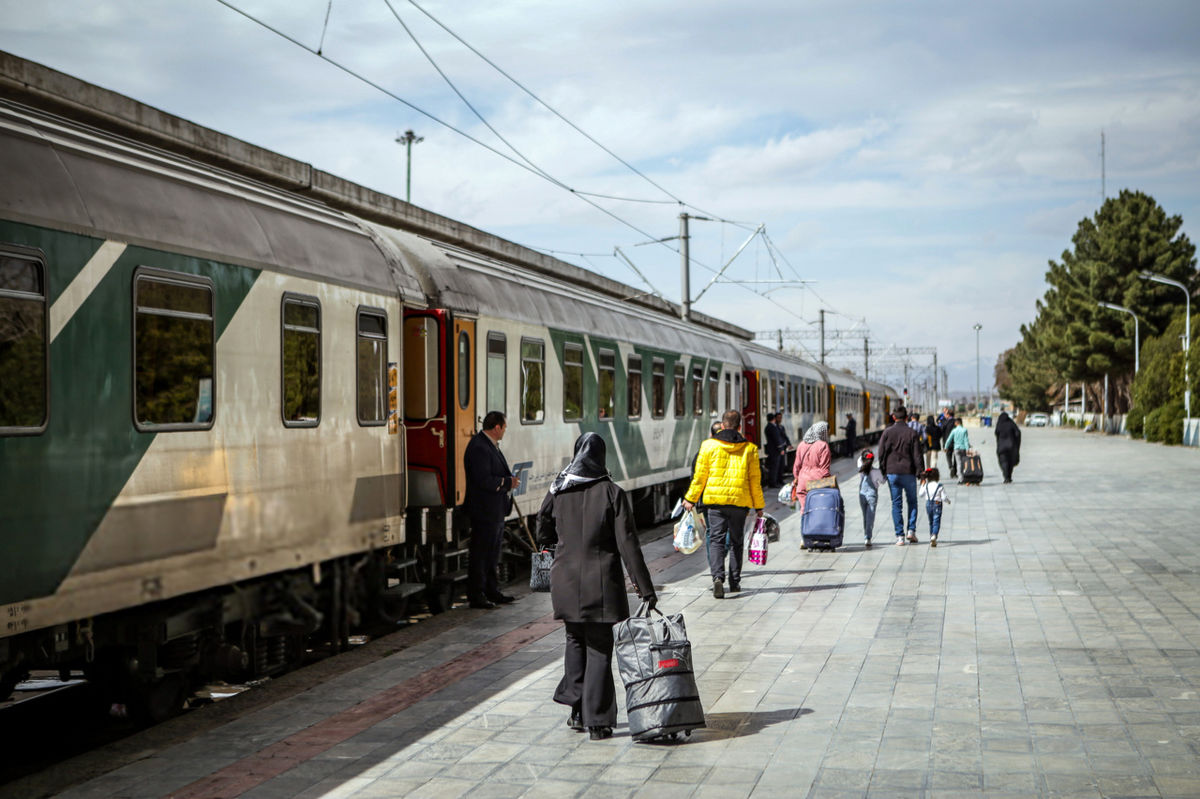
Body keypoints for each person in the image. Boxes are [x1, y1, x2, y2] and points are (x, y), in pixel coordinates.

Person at [536, 433, 655, 741]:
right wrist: (645, 588)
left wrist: (557, 544)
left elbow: (541, 528)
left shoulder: (558, 490)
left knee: (575, 641)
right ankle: (598, 721)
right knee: (599, 648)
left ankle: (576, 711)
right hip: (601, 584)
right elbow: (628, 544)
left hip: (565, 581)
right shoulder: (612, 493)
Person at [682, 410, 764, 599]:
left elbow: (699, 477)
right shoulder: (750, 449)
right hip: (739, 503)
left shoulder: (708, 446)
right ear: (740, 427)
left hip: (715, 503)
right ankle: (735, 581)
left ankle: (717, 578)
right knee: (736, 541)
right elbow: (754, 481)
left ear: (723, 425)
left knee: (716, 540)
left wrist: (690, 499)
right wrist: (759, 507)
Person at [463, 411, 520, 609]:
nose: (504, 431)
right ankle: (477, 594)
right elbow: (483, 480)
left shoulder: (490, 446)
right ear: (497, 427)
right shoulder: (479, 447)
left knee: (492, 553)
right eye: (504, 427)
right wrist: (507, 482)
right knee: (481, 553)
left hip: (494, 510)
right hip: (484, 510)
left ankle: (491, 591)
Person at [877, 406, 923, 545]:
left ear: (893, 417)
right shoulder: (912, 433)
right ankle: (911, 531)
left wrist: (883, 469)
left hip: (892, 473)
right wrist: (921, 472)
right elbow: (917, 455)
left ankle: (899, 537)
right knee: (912, 502)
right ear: (907, 418)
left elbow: (881, 453)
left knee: (896, 504)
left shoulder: (887, 432)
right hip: (908, 472)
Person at [791, 421, 832, 514]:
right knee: (818, 512)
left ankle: (805, 526)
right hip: (817, 483)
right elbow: (825, 470)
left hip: (802, 484)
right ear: (822, 433)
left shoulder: (801, 445)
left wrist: (798, 479)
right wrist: (828, 485)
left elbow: (796, 467)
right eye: (827, 433)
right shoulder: (823, 445)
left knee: (805, 511)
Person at [857, 450, 885, 547]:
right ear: (872, 460)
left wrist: (865, 456)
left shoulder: (860, 469)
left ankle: (866, 536)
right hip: (872, 496)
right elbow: (883, 481)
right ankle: (868, 537)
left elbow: (859, 459)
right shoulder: (876, 471)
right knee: (870, 517)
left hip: (862, 495)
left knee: (865, 517)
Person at [919, 467, 950, 547]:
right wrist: (948, 501)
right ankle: (934, 535)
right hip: (937, 504)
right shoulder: (939, 486)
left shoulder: (926, 485)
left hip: (928, 504)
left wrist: (922, 484)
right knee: (936, 521)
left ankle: (931, 537)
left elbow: (921, 494)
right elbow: (943, 497)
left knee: (931, 521)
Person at [994, 411, 1022, 483]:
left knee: (1003, 462)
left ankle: (1006, 476)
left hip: (1001, 447)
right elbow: (1018, 433)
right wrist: (1016, 442)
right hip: (1011, 446)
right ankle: (1009, 476)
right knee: (1010, 462)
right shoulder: (1011, 424)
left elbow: (996, 433)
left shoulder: (999, 424)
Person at [763, 412, 787, 488]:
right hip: (775, 451)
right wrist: (781, 449)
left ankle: (776, 481)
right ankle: (773, 483)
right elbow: (777, 439)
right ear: (773, 419)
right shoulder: (772, 427)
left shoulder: (769, 427)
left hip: (773, 450)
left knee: (776, 467)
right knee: (774, 467)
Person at [945, 418, 971, 483]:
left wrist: (946, 447)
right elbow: (966, 440)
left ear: (956, 423)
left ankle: (960, 478)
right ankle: (963, 477)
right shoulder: (964, 430)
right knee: (963, 463)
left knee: (958, 464)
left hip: (956, 449)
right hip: (963, 449)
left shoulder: (954, 430)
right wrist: (967, 449)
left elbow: (949, 439)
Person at [940, 409, 958, 479]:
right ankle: (955, 471)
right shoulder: (956, 421)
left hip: (947, 441)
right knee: (956, 456)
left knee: (948, 455)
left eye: (945, 414)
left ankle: (951, 467)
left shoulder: (944, 422)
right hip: (955, 442)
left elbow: (941, 431)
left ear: (948, 415)